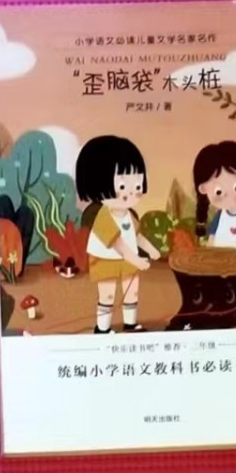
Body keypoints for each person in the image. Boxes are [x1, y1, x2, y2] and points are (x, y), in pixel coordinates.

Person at [76, 135, 161, 333]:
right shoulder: (104, 217)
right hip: (105, 260)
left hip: (128, 260)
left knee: (132, 292)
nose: (131, 193)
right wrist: (137, 260)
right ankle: (103, 329)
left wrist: (151, 249)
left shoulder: (129, 215)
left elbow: (136, 236)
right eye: (122, 186)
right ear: (97, 185)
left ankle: (130, 324)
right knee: (107, 296)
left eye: (137, 186)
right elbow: (118, 244)